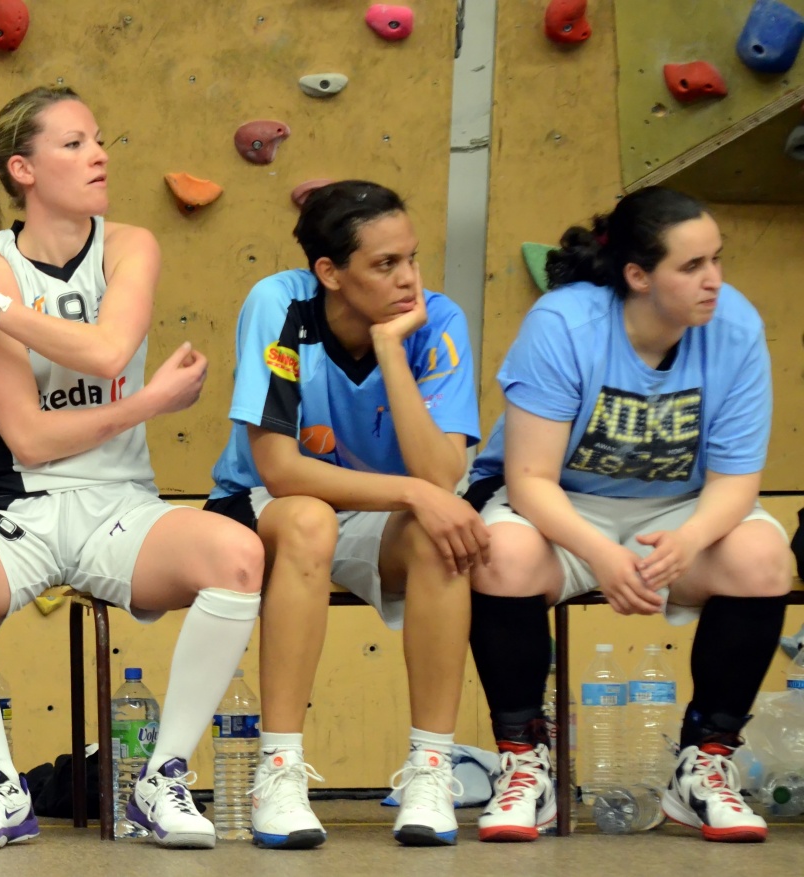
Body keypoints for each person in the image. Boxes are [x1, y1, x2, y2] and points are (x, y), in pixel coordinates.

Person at [0, 85, 264, 851]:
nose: (98, 155)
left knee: (238, 555)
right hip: (18, 502)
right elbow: (31, 439)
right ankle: (0, 785)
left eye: (98, 139)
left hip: (119, 503)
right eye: (73, 143)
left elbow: (106, 349)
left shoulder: (126, 246)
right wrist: (150, 401)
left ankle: (163, 777)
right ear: (23, 169)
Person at [466, 186, 792, 843]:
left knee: (764, 557)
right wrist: (602, 554)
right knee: (501, 556)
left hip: (681, 511)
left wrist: (689, 538)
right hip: (561, 507)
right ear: (639, 277)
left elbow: (736, 482)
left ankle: (704, 765)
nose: (714, 280)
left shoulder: (735, 326)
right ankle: (525, 765)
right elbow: (529, 481)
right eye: (692, 266)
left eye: (717, 259)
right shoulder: (564, 324)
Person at [205, 180, 487, 848]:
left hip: (374, 509)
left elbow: (441, 476)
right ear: (330, 273)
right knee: (311, 518)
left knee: (439, 534)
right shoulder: (279, 304)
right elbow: (279, 468)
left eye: (412, 258)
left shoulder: (437, 321)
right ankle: (278, 772)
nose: (409, 279)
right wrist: (415, 494)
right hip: (266, 503)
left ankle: (430, 769)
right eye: (385, 264)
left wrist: (390, 348)